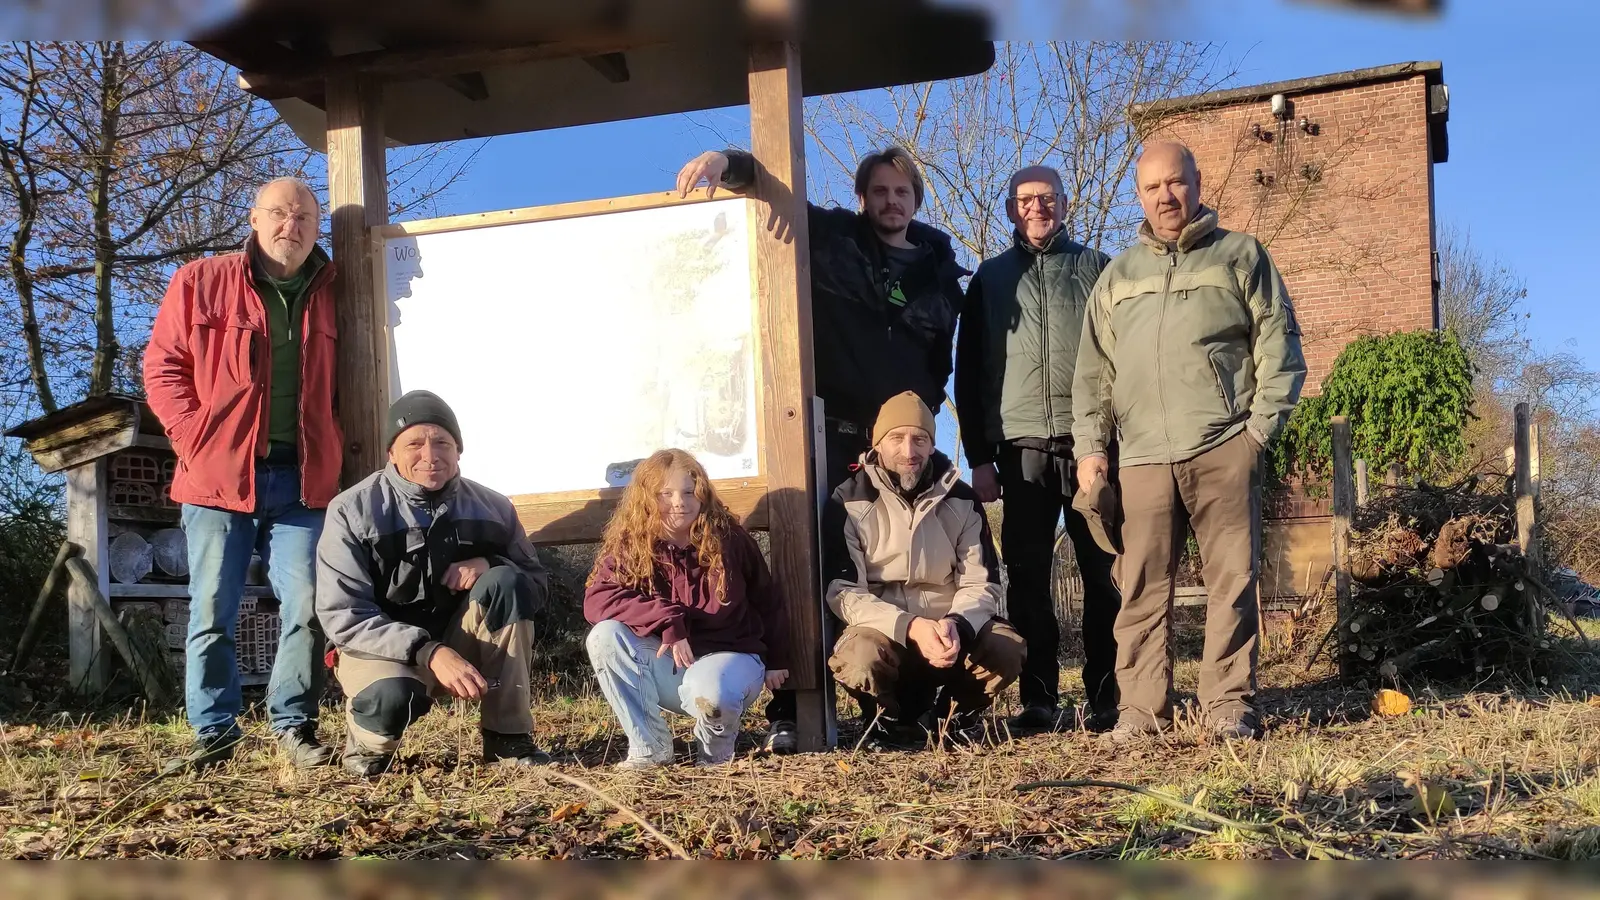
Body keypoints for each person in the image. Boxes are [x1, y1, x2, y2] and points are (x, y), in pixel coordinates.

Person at [676, 145, 967, 753]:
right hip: (826, 437)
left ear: (916, 201)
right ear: (863, 197)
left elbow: (941, 363)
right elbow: (774, 191)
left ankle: (894, 702)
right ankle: (794, 703)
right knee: (807, 570)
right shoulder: (834, 238)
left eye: (903, 192)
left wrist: (918, 422)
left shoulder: (940, 271)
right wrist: (724, 165)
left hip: (899, 452)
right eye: (881, 191)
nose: (892, 202)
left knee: (898, 572)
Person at [1072, 141, 1307, 743]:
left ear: (1197, 183)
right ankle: (1141, 710)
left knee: (1232, 580)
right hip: (1143, 457)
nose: (1165, 196)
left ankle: (1228, 704)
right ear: (1140, 196)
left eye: (1175, 183)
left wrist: (1255, 435)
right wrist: (1091, 450)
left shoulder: (1241, 255)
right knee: (1140, 586)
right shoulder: (1117, 275)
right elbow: (1094, 372)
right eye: (1152, 188)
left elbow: (1279, 350)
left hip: (1222, 447)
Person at [144, 177, 341, 771]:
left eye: (305, 216)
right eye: (279, 213)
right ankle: (214, 731)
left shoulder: (334, 293)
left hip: (305, 481)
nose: (292, 226)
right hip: (219, 477)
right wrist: (192, 436)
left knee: (308, 605)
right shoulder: (201, 281)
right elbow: (162, 367)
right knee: (211, 610)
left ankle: (294, 727)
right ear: (254, 220)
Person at [954, 164, 1122, 733]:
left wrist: (1112, 436)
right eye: (1026, 199)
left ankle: (1106, 695)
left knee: (1103, 574)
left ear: (1064, 203)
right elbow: (968, 369)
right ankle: (1040, 700)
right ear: (1010, 208)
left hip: (1090, 448)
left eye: (1047, 198)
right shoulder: (991, 279)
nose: (1037, 208)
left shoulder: (1097, 269)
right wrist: (978, 456)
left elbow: (1119, 359)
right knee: (1027, 579)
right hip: (1018, 449)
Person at [316, 391, 551, 776]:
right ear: (391, 452)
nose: (430, 454)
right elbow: (344, 616)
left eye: (442, 442)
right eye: (414, 443)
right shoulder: (351, 510)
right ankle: (368, 744)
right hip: (383, 651)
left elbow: (535, 588)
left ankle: (508, 738)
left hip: (462, 643)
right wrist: (429, 651)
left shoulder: (495, 507)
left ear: (459, 450)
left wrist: (492, 562)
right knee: (392, 699)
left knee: (507, 582)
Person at [823, 392, 1026, 744]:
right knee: (857, 655)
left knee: (1007, 647)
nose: (908, 451)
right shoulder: (848, 499)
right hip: (884, 633)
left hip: (949, 634)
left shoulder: (963, 499)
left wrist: (956, 626)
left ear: (932, 445)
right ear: (878, 444)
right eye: (896, 438)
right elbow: (843, 592)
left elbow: (983, 583)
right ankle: (885, 718)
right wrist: (909, 626)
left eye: (920, 439)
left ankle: (953, 717)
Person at [584, 450, 789, 768]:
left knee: (714, 694)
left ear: (703, 495)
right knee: (604, 635)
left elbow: (768, 601)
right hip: (669, 663)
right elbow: (598, 600)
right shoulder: (630, 545)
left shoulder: (731, 540)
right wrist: (667, 619)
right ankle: (650, 749)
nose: (679, 502)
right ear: (647, 498)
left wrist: (778, 660)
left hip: (732, 660)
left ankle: (715, 756)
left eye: (689, 492)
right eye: (666, 493)